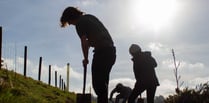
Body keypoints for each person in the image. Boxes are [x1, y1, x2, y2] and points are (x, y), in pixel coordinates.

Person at [60, 7, 116, 103]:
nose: (70, 24)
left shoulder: (79, 23)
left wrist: (85, 58)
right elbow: (94, 38)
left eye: (68, 22)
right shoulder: (89, 17)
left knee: (98, 84)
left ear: (71, 17)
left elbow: (84, 42)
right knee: (103, 84)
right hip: (111, 52)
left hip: (102, 53)